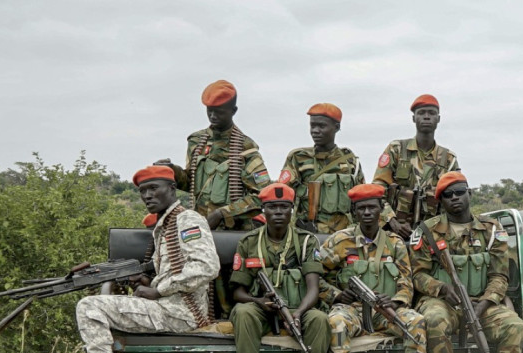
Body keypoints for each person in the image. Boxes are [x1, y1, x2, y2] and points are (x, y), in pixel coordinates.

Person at [76, 166, 220, 353]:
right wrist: (148, 284)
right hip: (169, 307)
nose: (147, 195)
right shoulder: (165, 226)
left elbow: (206, 267)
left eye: (154, 188)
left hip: (180, 314)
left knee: (89, 308)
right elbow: (176, 272)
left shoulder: (186, 220)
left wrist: (159, 289)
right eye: (143, 191)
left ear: (172, 189)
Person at [410, 172, 523, 353]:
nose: (454, 199)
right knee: (434, 320)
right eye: (447, 196)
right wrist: (441, 289)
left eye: (459, 192)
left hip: (481, 303)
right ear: (441, 202)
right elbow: (417, 275)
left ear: (469, 194)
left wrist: (485, 303)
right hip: (444, 302)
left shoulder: (491, 230)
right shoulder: (428, 231)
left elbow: (499, 276)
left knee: (514, 326)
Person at [320, 184, 432, 353]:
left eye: (372, 207)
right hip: (353, 311)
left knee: (416, 322)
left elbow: (407, 283)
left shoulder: (395, 243)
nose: (367, 212)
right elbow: (315, 277)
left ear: (382, 209)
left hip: (384, 312)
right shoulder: (339, 241)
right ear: (354, 212)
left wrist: (395, 300)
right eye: (362, 208)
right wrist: (337, 295)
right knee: (336, 323)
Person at [226, 183, 329, 353]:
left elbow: (314, 288)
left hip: (298, 308)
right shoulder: (249, 242)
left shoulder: (305, 242)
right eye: (273, 207)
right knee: (242, 312)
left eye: (284, 207)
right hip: (263, 309)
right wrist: (258, 301)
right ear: (264, 210)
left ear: (292, 210)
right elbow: (238, 292)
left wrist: (299, 313)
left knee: (321, 320)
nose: (279, 212)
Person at [158, 80, 271, 230]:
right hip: (199, 228)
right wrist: (172, 171)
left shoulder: (245, 147)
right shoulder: (197, 141)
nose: (213, 116)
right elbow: (191, 184)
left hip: (232, 231)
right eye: (209, 110)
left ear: (233, 111)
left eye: (219, 111)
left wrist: (222, 213)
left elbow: (263, 196)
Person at [372, 94, 460, 239]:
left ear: (438, 119)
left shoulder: (448, 159)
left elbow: (456, 197)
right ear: (414, 118)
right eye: (421, 113)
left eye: (431, 113)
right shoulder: (397, 150)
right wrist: (392, 221)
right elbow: (377, 190)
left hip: (433, 235)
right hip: (394, 233)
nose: (426, 117)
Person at [278, 103, 365, 234]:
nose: (315, 131)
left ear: (336, 127)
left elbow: (362, 198)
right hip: (307, 233)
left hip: (344, 235)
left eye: (321, 126)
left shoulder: (350, 161)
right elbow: (281, 195)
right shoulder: (299, 158)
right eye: (312, 126)